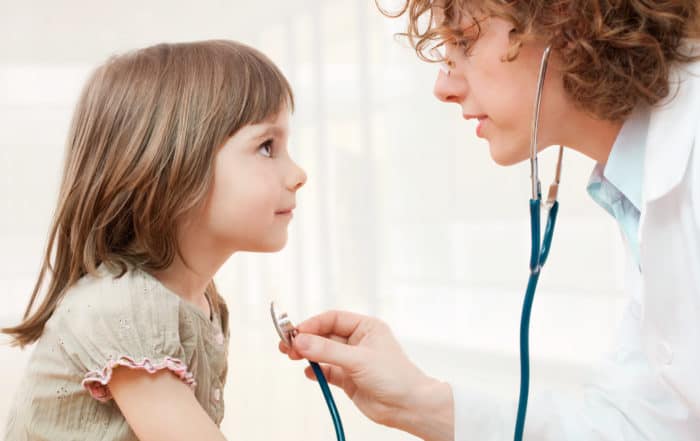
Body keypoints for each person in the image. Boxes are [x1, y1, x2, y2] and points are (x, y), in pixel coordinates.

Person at [280, 1, 700, 440]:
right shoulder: (643, 190)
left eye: (463, 41)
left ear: (567, 19)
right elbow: (635, 427)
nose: (443, 86)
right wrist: (416, 400)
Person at [2, 40, 307, 441]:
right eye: (267, 147)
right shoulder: (122, 307)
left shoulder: (199, 303)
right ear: (172, 168)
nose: (298, 173)